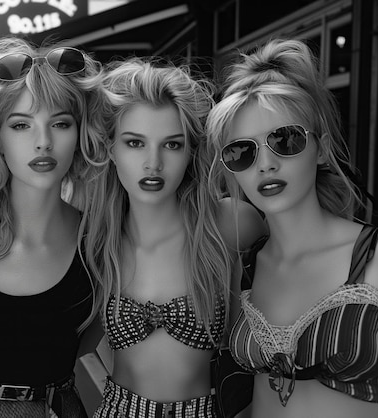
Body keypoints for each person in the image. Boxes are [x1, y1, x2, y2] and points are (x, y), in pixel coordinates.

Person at [206, 38, 378, 418]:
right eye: (242, 152)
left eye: (284, 140)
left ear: (323, 148)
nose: (265, 164)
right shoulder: (245, 263)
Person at [79, 58, 266, 418]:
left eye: (172, 145)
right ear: (110, 149)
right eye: (135, 143)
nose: (154, 163)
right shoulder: (97, 241)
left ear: (191, 151)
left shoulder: (228, 224)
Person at [0, 37, 102, 417]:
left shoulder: (100, 242)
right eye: (21, 125)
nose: (44, 142)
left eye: (61, 123)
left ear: (80, 133)